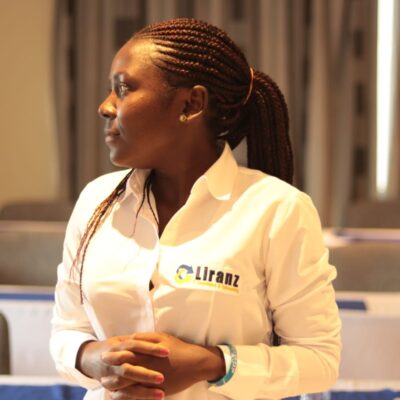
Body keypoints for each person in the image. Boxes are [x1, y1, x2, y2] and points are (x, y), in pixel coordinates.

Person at [50, 18, 341, 400]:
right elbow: (66, 333)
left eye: (123, 89)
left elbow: (320, 360)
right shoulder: (96, 201)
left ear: (191, 104)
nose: (106, 107)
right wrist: (94, 358)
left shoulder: (277, 209)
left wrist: (213, 363)